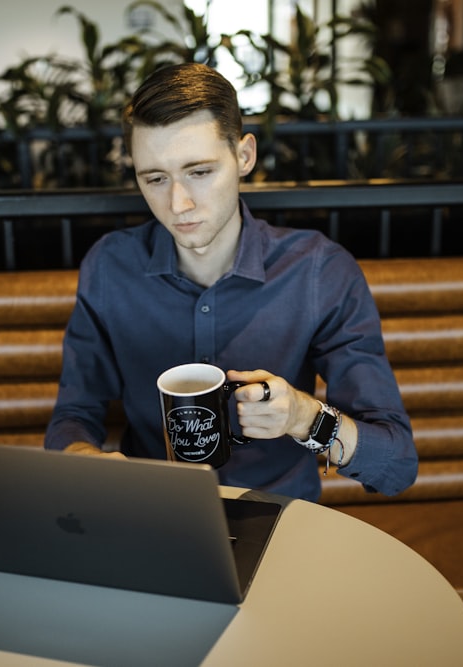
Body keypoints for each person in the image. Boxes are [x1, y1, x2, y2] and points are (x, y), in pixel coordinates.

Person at [44, 62, 417, 501]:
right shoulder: (110, 266)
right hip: (152, 509)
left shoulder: (318, 270)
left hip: (279, 516)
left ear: (244, 156)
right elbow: (74, 413)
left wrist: (304, 417)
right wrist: (84, 457)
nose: (178, 203)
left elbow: (396, 464)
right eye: (156, 178)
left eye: (199, 172)